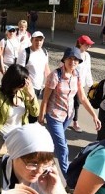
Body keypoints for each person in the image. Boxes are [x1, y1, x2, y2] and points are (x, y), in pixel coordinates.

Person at [38, 47, 101, 178]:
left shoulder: (76, 75)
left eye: (76, 60)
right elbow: (45, 98)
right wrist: (41, 116)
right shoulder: (55, 75)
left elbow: (82, 97)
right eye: (70, 58)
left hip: (68, 115)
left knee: (53, 142)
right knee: (63, 147)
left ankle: (43, 161)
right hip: (54, 115)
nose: (73, 62)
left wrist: (94, 116)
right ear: (64, 60)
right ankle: (69, 178)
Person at [0, 64, 40, 162]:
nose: (26, 83)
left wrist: (32, 96)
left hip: (18, 135)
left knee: (15, 165)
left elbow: (35, 113)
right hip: (0, 134)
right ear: (16, 81)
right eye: (24, 80)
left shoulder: (24, 92)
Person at [16, 31, 50, 123]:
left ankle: (29, 126)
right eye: (36, 40)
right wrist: (28, 84)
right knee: (28, 110)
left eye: (40, 40)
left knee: (33, 109)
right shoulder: (25, 52)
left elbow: (46, 68)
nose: (38, 42)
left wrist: (49, 81)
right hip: (27, 86)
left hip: (40, 86)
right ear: (32, 40)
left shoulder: (45, 52)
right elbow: (20, 71)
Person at [71, 35, 94, 133]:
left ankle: (74, 121)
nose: (89, 46)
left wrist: (91, 84)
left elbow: (88, 70)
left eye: (89, 45)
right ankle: (72, 121)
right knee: (71, 102)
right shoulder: (73, 53)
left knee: (77, 103)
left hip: (81, 84)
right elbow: (64, 66)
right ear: (80, 43)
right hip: (71, 83)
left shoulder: (87, 55)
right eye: (87, 44)